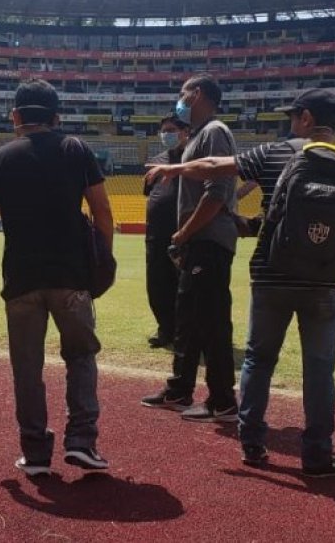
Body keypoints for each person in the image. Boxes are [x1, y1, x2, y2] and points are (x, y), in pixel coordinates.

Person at [147, 88, 335, 478]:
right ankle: (318, 455)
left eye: (294, 116)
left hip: (272, 274)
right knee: (320, 370)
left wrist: (174, 169)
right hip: (323, 281)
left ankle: (252, 444)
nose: (290, 122)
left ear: (306, 118)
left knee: (258, 359)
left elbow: (217, 166)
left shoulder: (274, 153)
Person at [0, 78, 115, 477]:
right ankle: (82, 441)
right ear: (57, 117)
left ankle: (34, 452)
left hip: (21, 278)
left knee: (27, 367)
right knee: (81, 356)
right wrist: (105, 257)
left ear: (15, 117)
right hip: (71, 276)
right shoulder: (76, 149)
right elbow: (101, 209)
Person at [141, 74, 240, 424]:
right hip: (200, 241)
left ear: (197, 94)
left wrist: (182, 234)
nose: (180, 101)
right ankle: (181, 388)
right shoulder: (200, 135)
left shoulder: (214, 132)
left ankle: (223, 401)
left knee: (211, 320)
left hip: (208, 240)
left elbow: (216, 193)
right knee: (188, 318)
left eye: (184, 95)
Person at [143, 114, 190, 349]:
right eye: (164, 131)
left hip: (183, 234)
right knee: (157, 284)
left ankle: (185, 333)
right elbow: (150, 194)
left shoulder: (191, 161)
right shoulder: (156, 161)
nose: (167, 134)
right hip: (155, 235)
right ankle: (165, 330)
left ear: (185, 132)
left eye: (172, 129)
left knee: (183, 286)